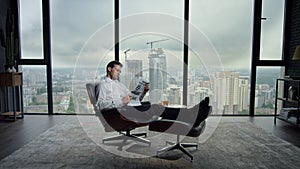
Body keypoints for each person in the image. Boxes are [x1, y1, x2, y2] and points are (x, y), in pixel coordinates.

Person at [96, 60, 209, 123]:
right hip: (119, 112)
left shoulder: (118, 84)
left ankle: (191, 112)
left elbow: (134, 100)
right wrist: (121, 101)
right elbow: (100, 105)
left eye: (120, 71)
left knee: (152, 105)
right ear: (109, 69)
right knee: (156, 108)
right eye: (117, 70)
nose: (119, 73)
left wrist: (143, 92)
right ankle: (190, 115)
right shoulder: (103, 85)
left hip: (128, 107)